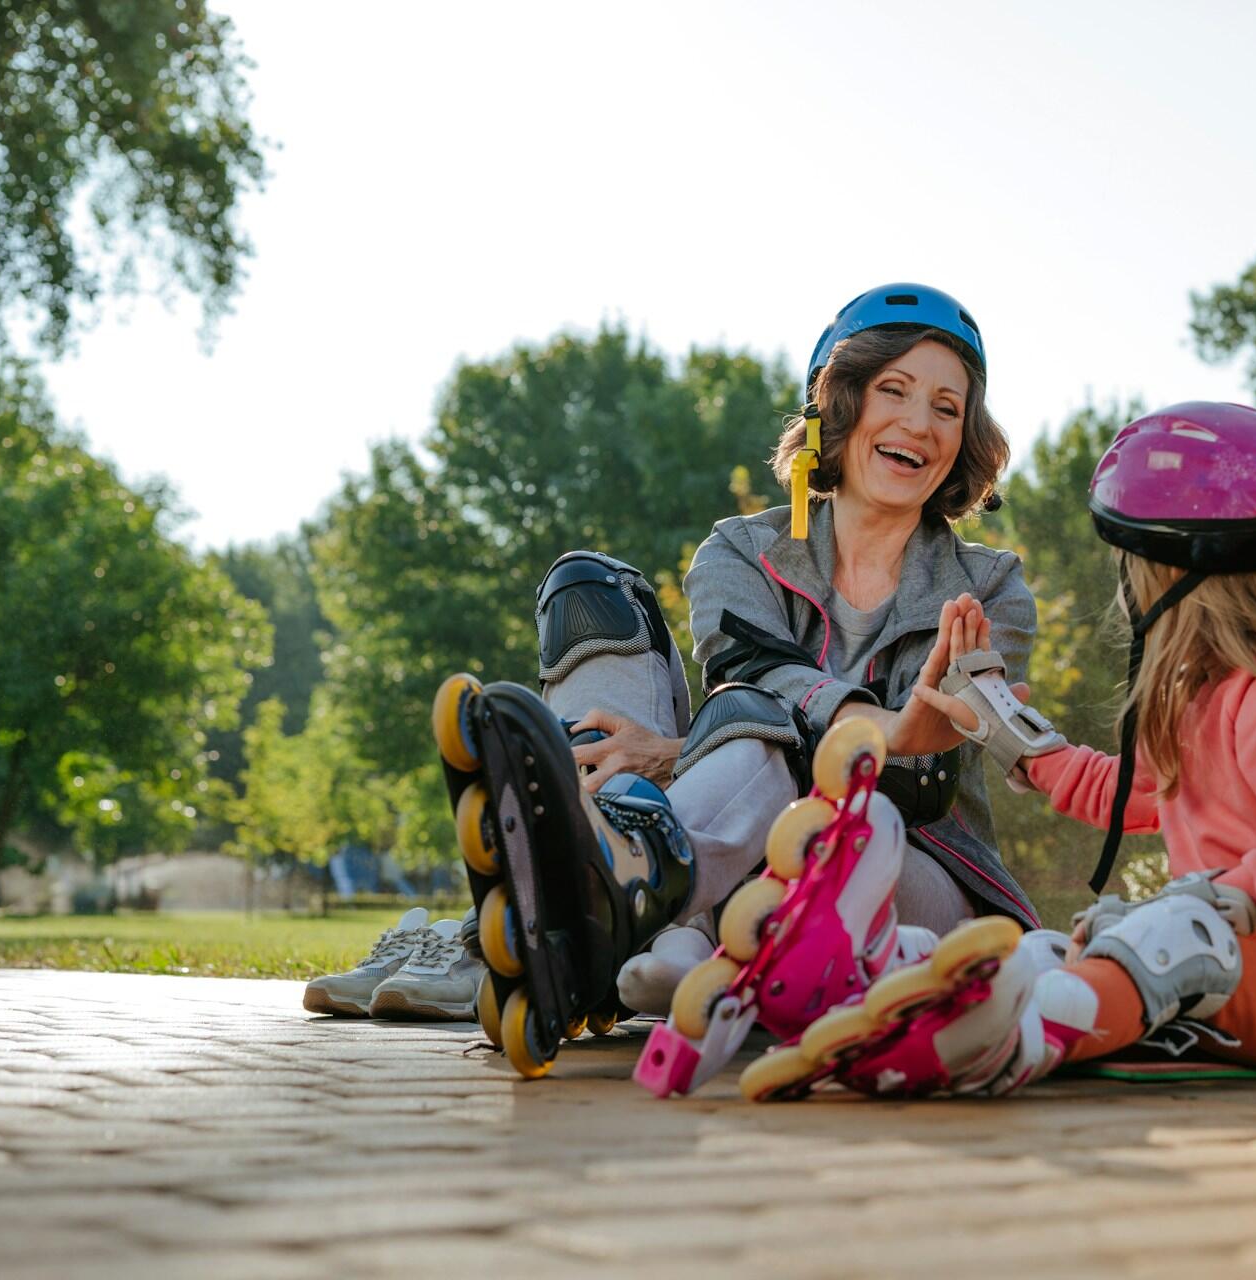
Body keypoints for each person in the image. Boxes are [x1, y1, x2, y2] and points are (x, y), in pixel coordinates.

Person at [442, 284, 1041, 1076]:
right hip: (740, 845)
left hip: (903, 865)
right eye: (893, 391)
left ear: (965, 438)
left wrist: (677, 753)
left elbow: (921, 773)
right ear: (838, 403)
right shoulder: (739, 552)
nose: (919, 424)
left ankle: (606, 912)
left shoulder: (991, 586)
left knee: (759, 724)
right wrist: (870, 725)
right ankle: (633, 913)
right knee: (593, 593)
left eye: (946, 408)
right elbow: (752, 672)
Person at [739, 402, 1256, 1099]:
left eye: (1136, 565)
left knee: (1164, 931)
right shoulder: (1207, 696)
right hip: (1230, 970)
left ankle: (1005, 1038)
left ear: (1192, 570)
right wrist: (1002, 725)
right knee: (1044, 951)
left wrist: (1214, 901)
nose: (1129, 587)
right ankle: (908, 1002)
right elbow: (1127, 794)